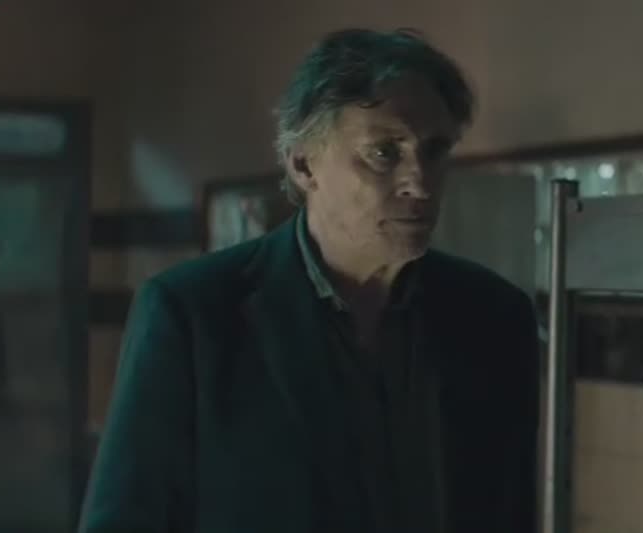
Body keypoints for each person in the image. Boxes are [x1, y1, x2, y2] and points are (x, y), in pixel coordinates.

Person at [79, 28, 541, 533]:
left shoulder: (495, 317)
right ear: (303, 164)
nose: (420, 182)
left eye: (434, 151)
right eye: (384, 153)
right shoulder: (193, 314)